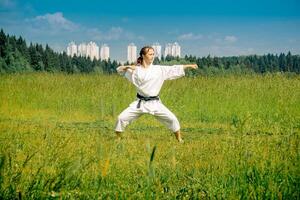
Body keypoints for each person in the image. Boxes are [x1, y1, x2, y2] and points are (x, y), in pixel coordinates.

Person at [115, 46, 198, 143]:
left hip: (155, 103)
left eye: (153, 54)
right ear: (143, 55)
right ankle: (118, 138)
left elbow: (173, 69)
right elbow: (119, 70)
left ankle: (179, 139)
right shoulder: (136, 71)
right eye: (150, 54)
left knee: (172, 119)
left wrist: (188, 66)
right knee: (121, 118)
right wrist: (129, 66)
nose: (152, 56)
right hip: (140, 103)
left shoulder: (158, 70)